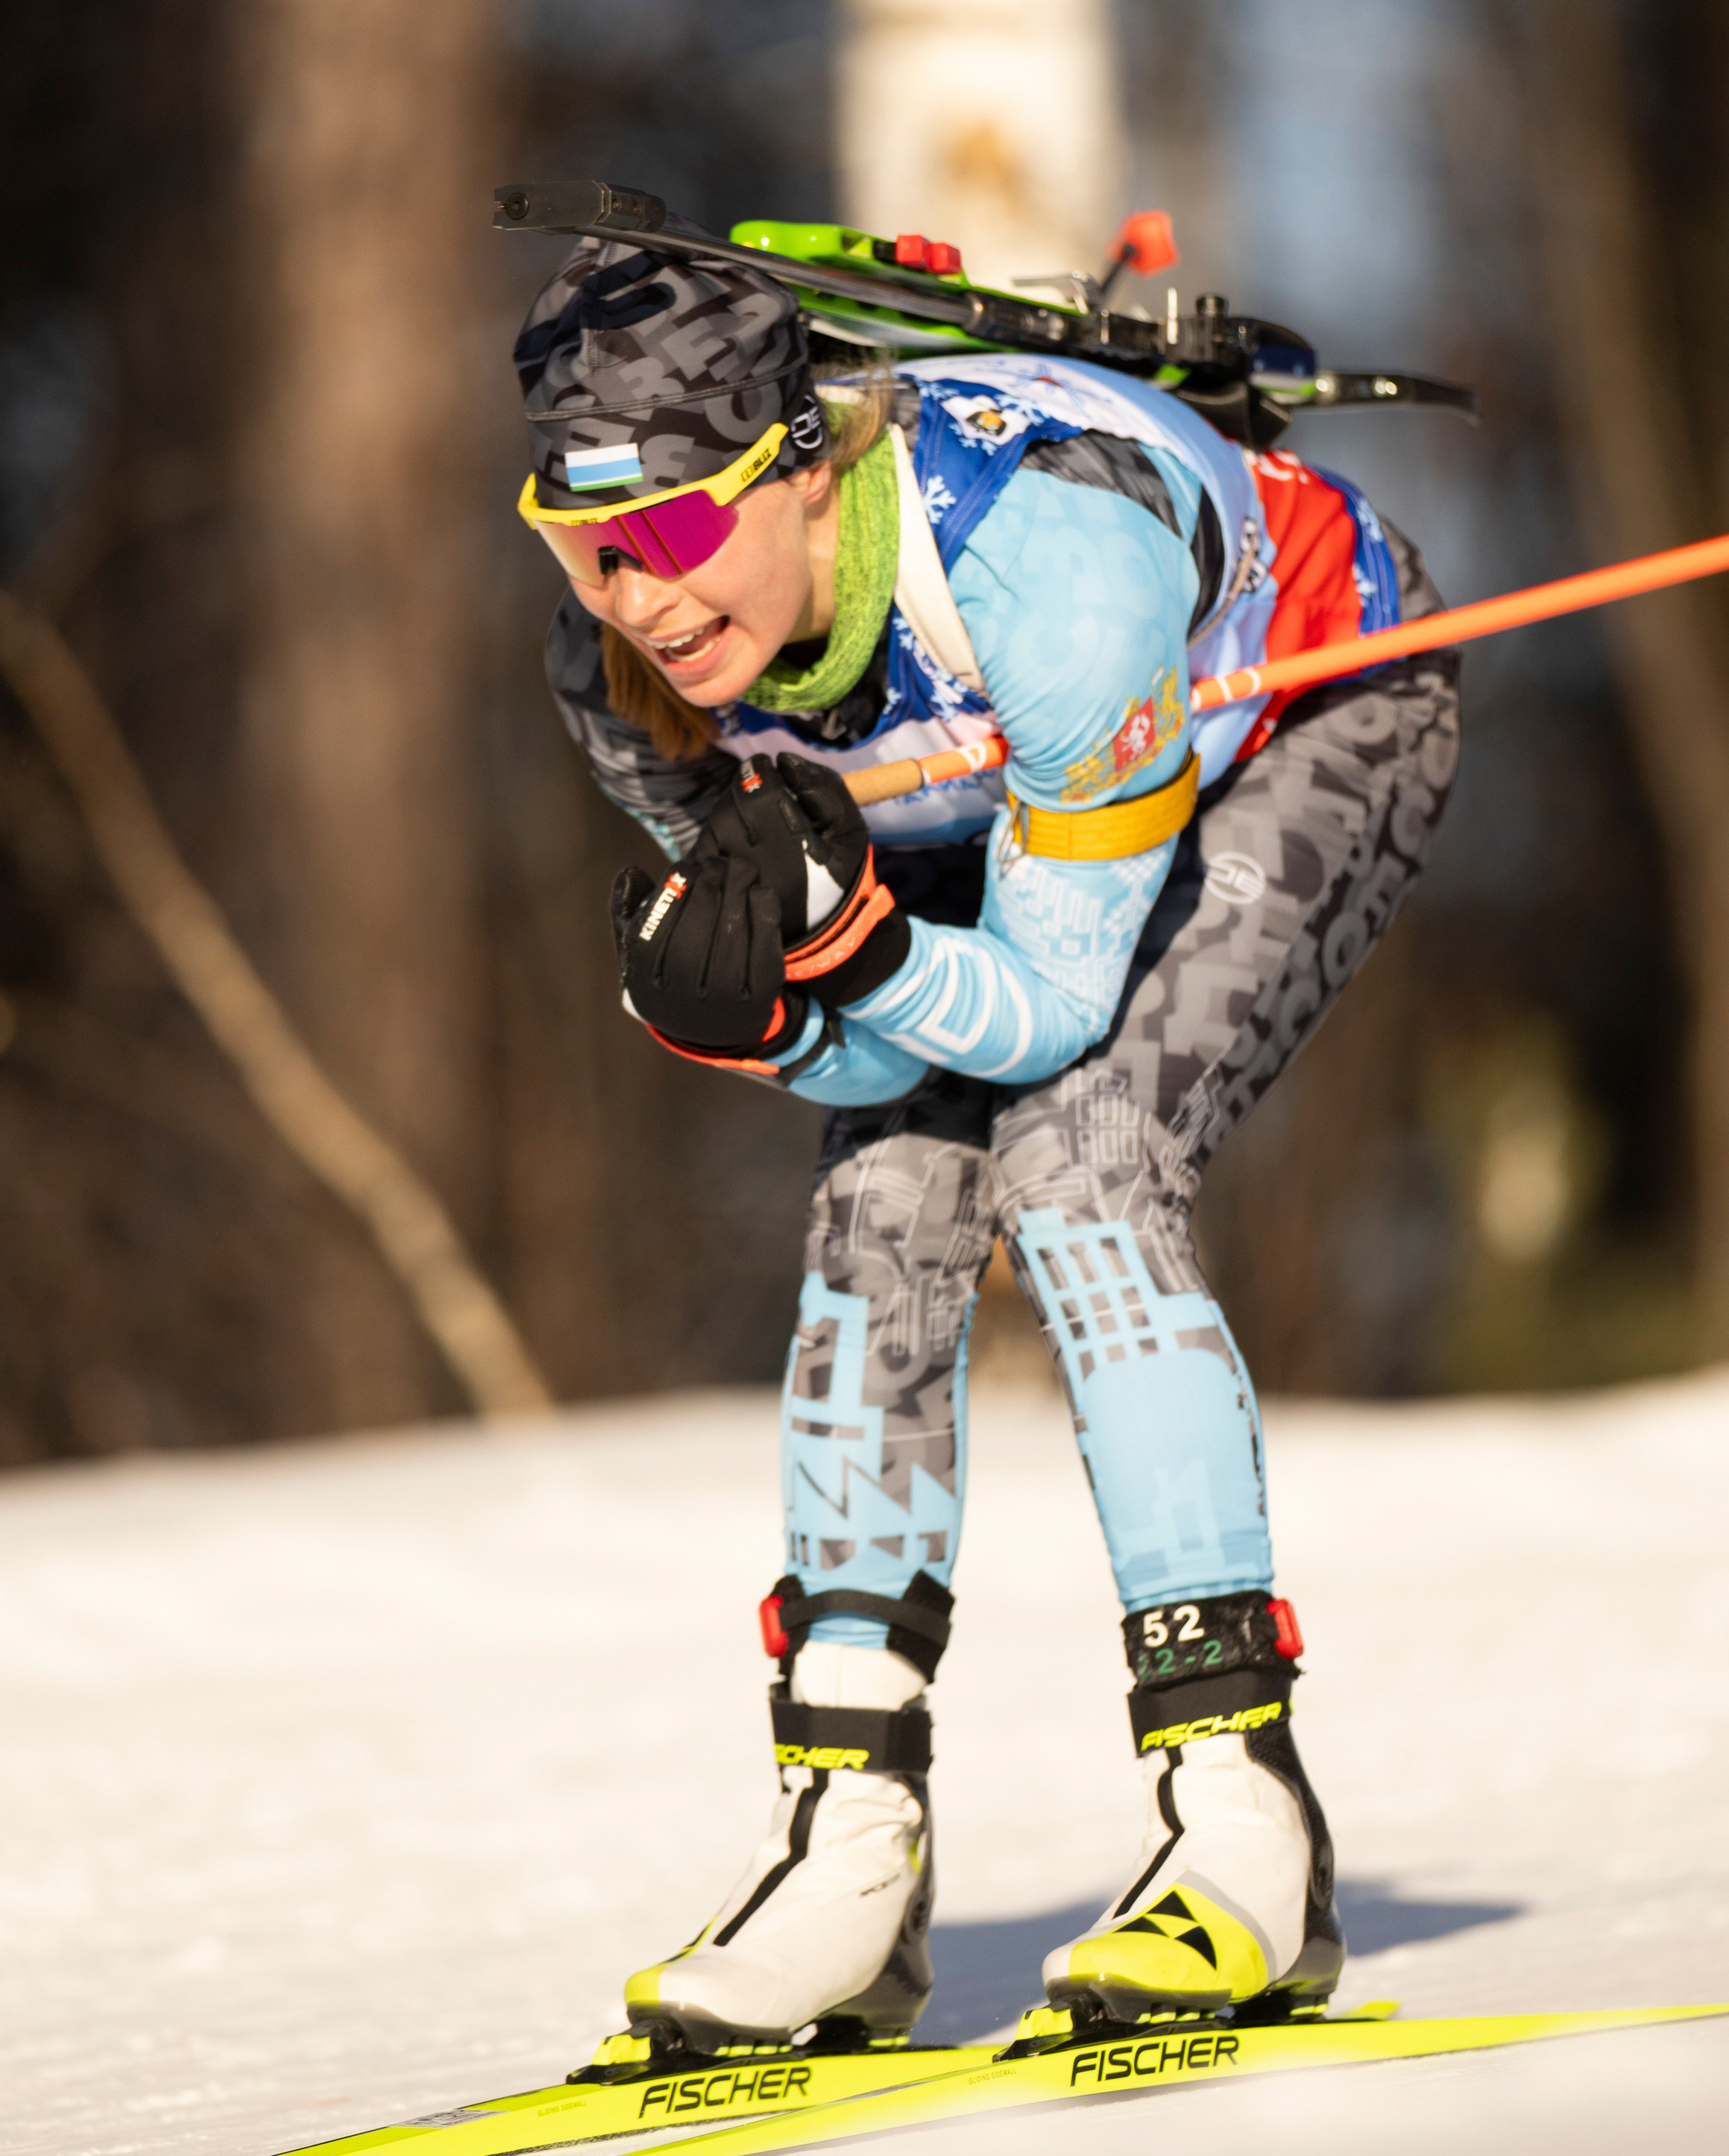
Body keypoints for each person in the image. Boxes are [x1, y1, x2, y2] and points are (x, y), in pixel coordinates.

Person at [514, 229, 1460, 2049]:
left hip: (1298, 709)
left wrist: (849, 946)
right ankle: (846, 1847)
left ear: (799, 464)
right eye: (579, 543)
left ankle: (1241, 1820)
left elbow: (1047, 1011)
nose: (634, 598)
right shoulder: (622, 667)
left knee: (1086, 1156)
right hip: (977, 776)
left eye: (678, 532)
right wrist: (774, 1017)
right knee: (877, 1208)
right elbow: (872, 1084)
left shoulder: (1055, 572)